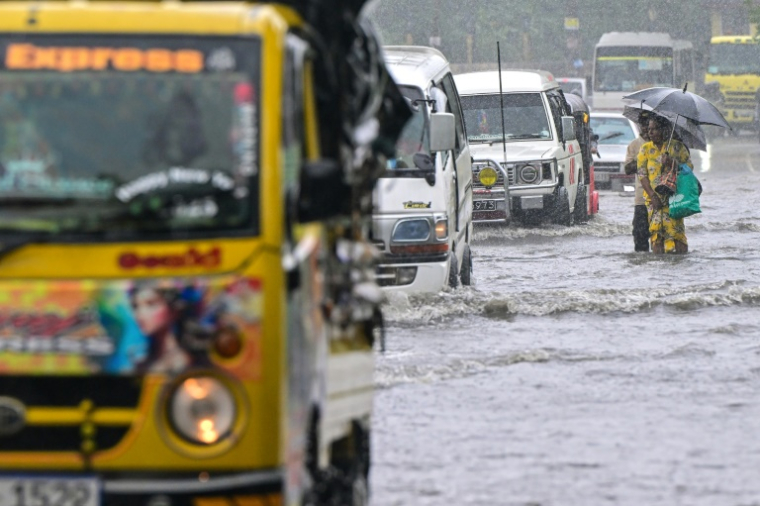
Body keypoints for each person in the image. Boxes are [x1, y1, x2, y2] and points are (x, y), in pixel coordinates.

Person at [637, 115, 693, 254]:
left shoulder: (677, 147)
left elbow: (689, 168)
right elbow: (642, 175)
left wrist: (672, 163)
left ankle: (680, 261)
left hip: (674, 197)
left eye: (654, 129)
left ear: (664, 130)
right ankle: (659, 268)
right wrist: (653, 196)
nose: (650, 133)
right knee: (656, 234)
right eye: (649, 129)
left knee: (676, 233)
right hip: (653, 200)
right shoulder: (645, 149)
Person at [624, 112, 651, 252]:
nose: (647, 128)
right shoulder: (634, 145)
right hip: (641, 198)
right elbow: (627, 169)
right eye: (644, 124)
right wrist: (642, 159)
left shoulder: (663, 144)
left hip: (662, 197)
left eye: (650, 124)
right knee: (640, 235)